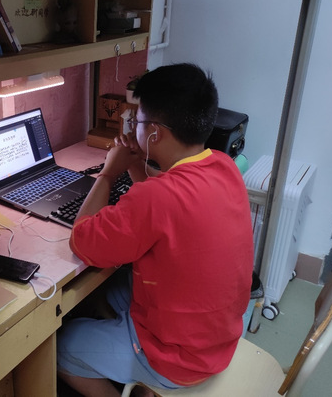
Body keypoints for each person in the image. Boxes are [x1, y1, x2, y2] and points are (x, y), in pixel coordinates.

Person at [57, 63, 254, 396]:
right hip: (220, 337)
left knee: (63, 345)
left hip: (180, 361)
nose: (133, 126)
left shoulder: (156, 197)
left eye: (137, 120)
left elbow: (83, 241)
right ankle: (134, 370)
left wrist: (108, 174)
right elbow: (164, 208)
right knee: (111, 287)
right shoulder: (223, 166)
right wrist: (135, 165)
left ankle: (140, 368)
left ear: (154, 133)